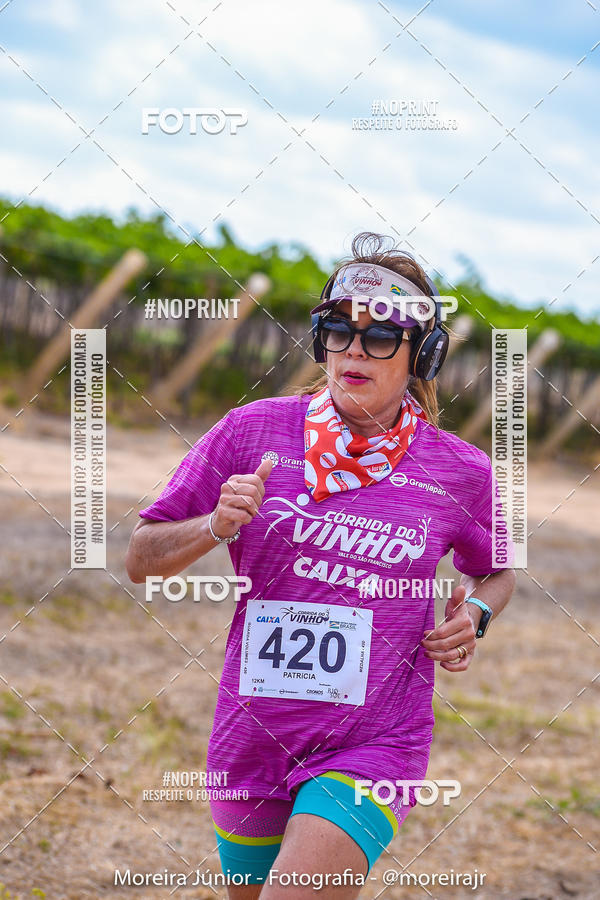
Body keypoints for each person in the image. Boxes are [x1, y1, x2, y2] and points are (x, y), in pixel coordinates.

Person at [126, 232, 516, 899]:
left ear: (424, 354)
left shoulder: (461, 470)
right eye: (337, 330)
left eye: (380, 337)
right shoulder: (252, 431)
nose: (354, 350)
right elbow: (141, 557)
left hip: (374, 743)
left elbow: (496, 570)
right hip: (251, 737)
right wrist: (214, 526)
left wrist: (475, 614)